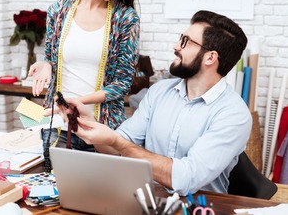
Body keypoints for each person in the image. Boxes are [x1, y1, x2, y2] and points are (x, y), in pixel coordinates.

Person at [63, 10, 252, 195]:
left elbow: (186, 178)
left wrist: (117, 142)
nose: (176, 46)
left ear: (210, 57)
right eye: (180, 38)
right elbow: (116, 149)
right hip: (146, 200)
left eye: (186, 42)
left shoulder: (233, 114)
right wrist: (90, 125)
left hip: (200, 208)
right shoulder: (160, 91)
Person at [28, 0, 141, 150]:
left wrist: (78, 102)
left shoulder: (126, 18)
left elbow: (123, 83)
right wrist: (46, 65)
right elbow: (51, 58)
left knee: (102, 184)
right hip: (58, 125)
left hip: (101, 128)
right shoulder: (58, 11)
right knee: (55, 181)